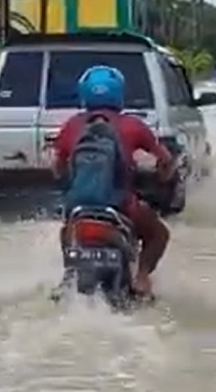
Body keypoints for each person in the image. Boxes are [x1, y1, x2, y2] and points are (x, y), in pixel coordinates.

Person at [51, 65, 174, 296]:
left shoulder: (72, 126)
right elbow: (165, 160)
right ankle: (142, 277)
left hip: (79, 207)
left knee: (66, 231)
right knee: (159, 234)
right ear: (119, 93)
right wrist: (163, 176)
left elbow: (57, 169)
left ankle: (68, 276)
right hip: (120, 206)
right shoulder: (133, 125)